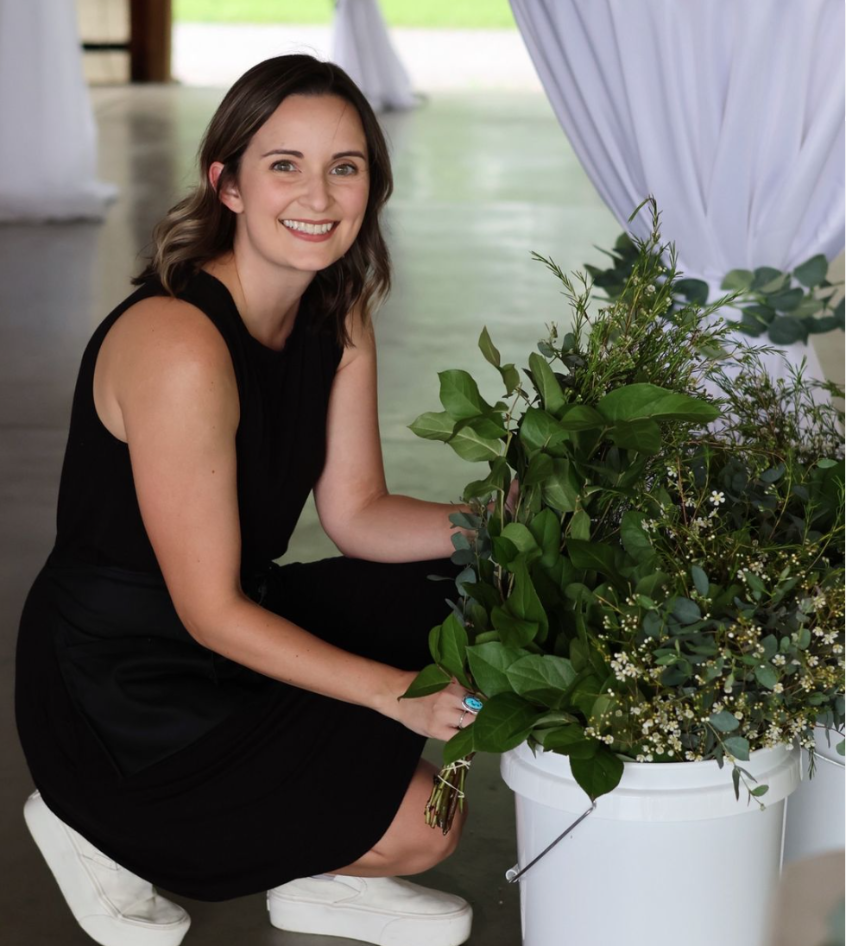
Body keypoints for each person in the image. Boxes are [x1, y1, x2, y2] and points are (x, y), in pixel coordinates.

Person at [14, 54, 497, 946]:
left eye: (344, 167)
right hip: (120, 687)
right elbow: (209, 613)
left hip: (234, 621)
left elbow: (357, 513)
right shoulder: (178, 345)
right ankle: (93, 828)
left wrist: (514, 523)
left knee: (481, 579)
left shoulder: (337, 307)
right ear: (226, 184)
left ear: (370, 186)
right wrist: (395, 695)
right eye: (284, 164)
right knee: (430, 825)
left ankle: (314, 876)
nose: (318, 195)